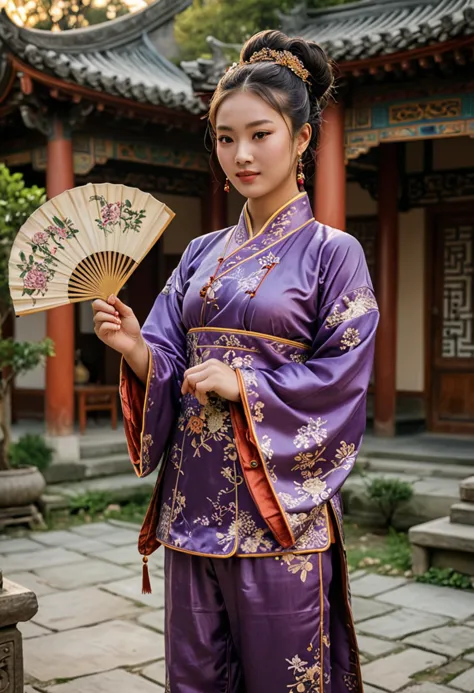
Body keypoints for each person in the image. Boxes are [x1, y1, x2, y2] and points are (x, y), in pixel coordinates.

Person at [92, 28, 379, 693]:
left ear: (301, 138)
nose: (241, 154)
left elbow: (343, 376)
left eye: (260, 134)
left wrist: (243, 380)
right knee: (195, 680)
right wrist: (137, 348)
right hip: (191, 512)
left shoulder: (334, 255)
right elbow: (167, 351)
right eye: (225, 138)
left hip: (279, 518)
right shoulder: (199, 254)